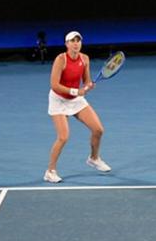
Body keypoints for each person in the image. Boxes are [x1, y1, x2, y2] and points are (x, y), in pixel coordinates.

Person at [44, 31, 111, 183]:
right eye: (72, 41)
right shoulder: (61, 59)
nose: (76, 43)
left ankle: (94, 158)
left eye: (78, 41)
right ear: (66, 44)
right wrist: (76, 91)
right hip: (58, 100)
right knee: (63, 137)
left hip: (75, 100)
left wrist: (88, 86)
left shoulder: (85, 59)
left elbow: (86, 81)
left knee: (98, 129)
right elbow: (54, 85)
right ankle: (50, 171)